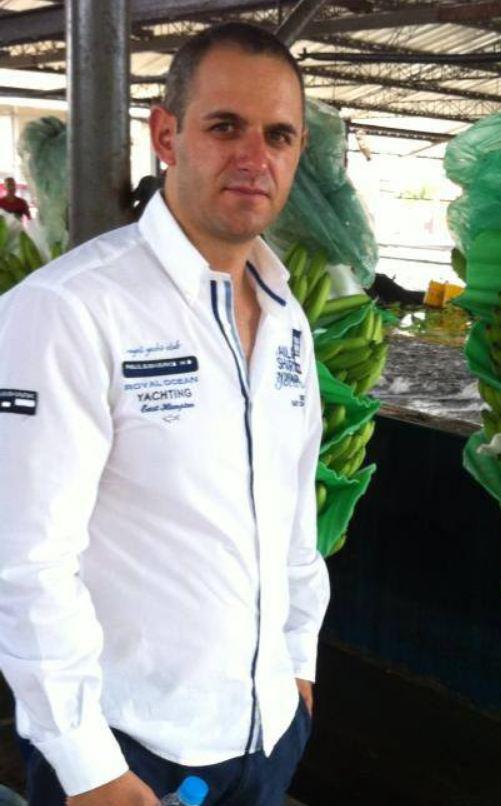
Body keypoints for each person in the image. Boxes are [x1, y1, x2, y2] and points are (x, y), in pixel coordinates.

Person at [0, 22, 328, 806]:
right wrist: (89, 766)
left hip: (266, 737)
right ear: (166, 135)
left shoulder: (288, 320)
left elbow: (295, 523)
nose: (254, 157)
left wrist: (299, 669)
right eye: (226, 127)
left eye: (278, 135)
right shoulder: (72, 310)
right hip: (129, 752)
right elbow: (26, 562)